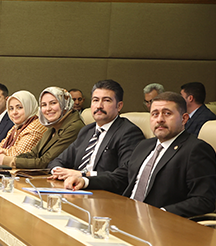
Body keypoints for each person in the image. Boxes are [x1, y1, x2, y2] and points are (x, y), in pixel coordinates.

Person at [65, 92, 216, 218]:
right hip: (125, 214)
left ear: (184, 119)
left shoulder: (196, 149)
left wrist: (162, 213)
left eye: (167, 113)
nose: (160, 119)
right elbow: (121, 177)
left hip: (158, 223)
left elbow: (204, 200)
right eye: (155, 114)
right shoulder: (145, 145)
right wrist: (85, 181)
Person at [48, 80, 145, 181]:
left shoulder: (129, 132)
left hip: (101, 189)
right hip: (72, 186)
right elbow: (57, 161)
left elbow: (125, 174)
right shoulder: (87, 130)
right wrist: (58, 172)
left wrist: (84, 176)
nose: (99, 106)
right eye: (95, 100)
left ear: (119, 106)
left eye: (106, 100)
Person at [0, 87, 84, 169]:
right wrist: (5, 157)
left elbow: (45, 162)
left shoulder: (74, 127)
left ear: (65, 104)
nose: (48, 109)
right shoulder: (53, 126)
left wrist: (7, 160)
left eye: (53, 103)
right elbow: (33, 154)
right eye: (44, 105)